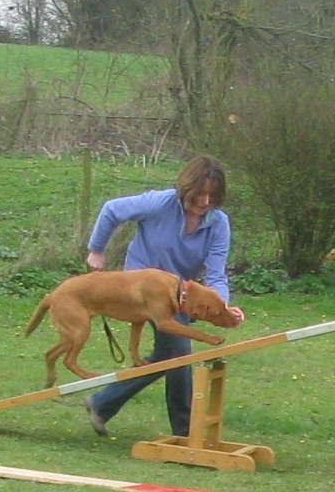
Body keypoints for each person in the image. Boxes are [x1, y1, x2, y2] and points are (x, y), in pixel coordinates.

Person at [83, 155, 245, 438]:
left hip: (182, 296)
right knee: (180, 351)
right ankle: (184, 432)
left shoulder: (218, 223)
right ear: (186, 188)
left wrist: (223, 306)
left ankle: (102, 403)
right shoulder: (160, 203)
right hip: (142, 289)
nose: (205, 201)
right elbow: (112, 210)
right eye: (200, 194)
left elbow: (216, 273)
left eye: (212, 196)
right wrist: (97, 250)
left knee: (166, 355)